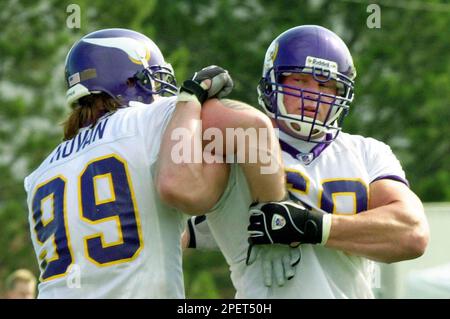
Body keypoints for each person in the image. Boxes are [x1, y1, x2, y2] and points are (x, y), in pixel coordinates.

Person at [24, 28, 286, 298]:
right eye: (153, 78)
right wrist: (273, 214)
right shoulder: (151, 118)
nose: (160, 89)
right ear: (128, 79)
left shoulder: (38, 176)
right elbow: (252, 128)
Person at [182, 25, 429, 298]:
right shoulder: (239, 145)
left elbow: (412, 233)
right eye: (300, 80)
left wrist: (312, 226)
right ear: (272, 84)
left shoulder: (368, 152)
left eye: (326, 85)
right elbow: (177, 227)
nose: (313, 94)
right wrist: (191, 97)